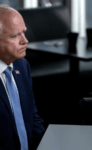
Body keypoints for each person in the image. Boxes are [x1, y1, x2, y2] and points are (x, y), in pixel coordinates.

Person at [0, 5, 45, 150]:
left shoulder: (22, 65)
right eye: (14, 36)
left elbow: (32, 117)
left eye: (23, 33)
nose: (25, 41)